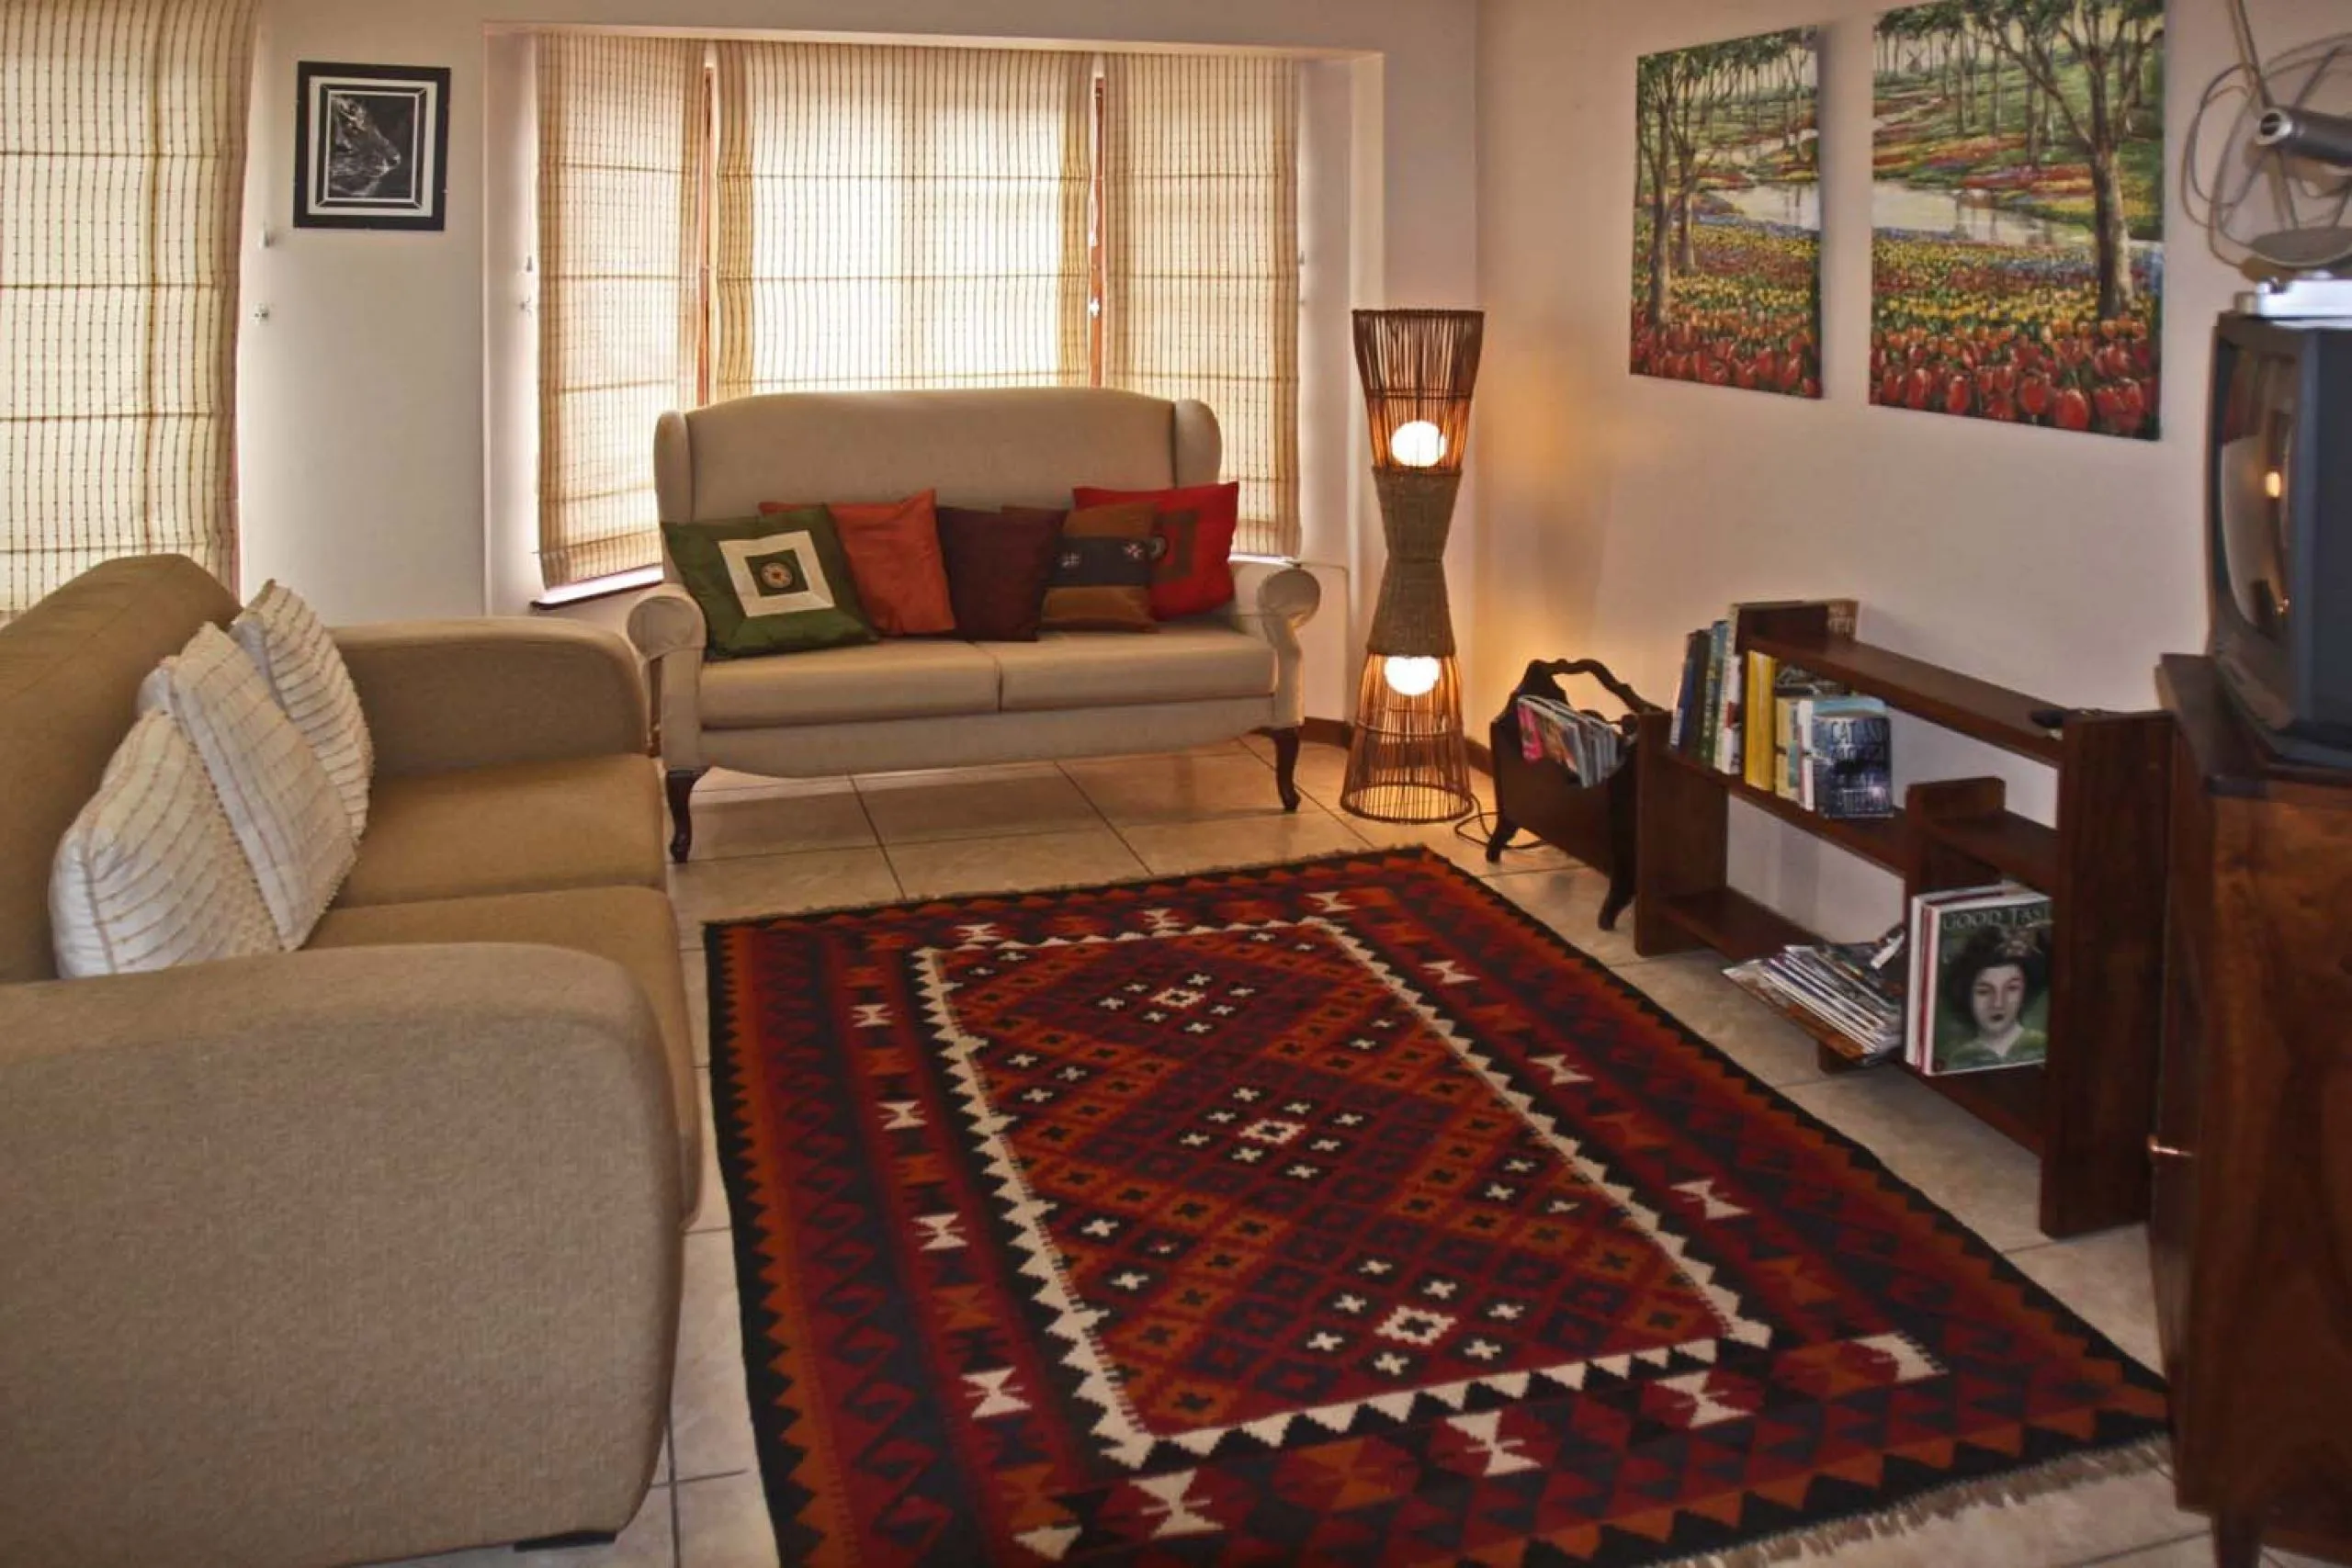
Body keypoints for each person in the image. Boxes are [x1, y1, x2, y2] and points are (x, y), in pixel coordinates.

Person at [1934, 925, 2050, 1073]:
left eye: (2011, 989)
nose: (1998, 1003)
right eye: (1984, 991)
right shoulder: (1960, 1058)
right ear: (1967, 995)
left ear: (2025, 991)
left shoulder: (2040, 1046)